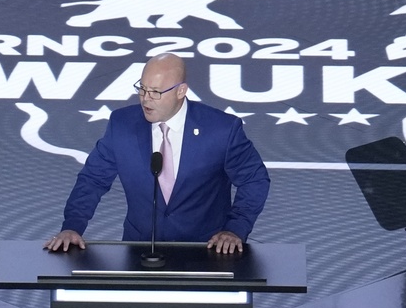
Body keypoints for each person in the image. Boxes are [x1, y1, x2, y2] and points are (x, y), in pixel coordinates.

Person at [44, 53, 269, 254]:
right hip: (139, 251)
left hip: (205, 250)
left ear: (181, 91)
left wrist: (235, 229)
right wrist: (72, 226)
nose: (145, 98)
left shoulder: (221, 130)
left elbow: (254, 179)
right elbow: (93, 179)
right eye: (142, 88)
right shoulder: (122, 125)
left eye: (155, 92)